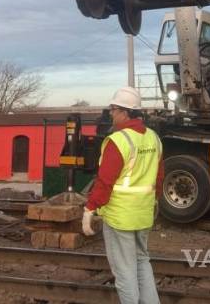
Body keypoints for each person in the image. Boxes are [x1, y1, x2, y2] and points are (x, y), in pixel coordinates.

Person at [82, 86, 163, 304]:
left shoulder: (118, 141)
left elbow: (105, 181)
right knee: (142, 262)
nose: (111, 113)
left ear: (126, 112)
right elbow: (159, 177)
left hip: (121, 217)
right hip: (143, 214)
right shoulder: (153, 138)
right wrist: (153, 202)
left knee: (124, 272)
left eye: (114, 109)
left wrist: (90, 208)